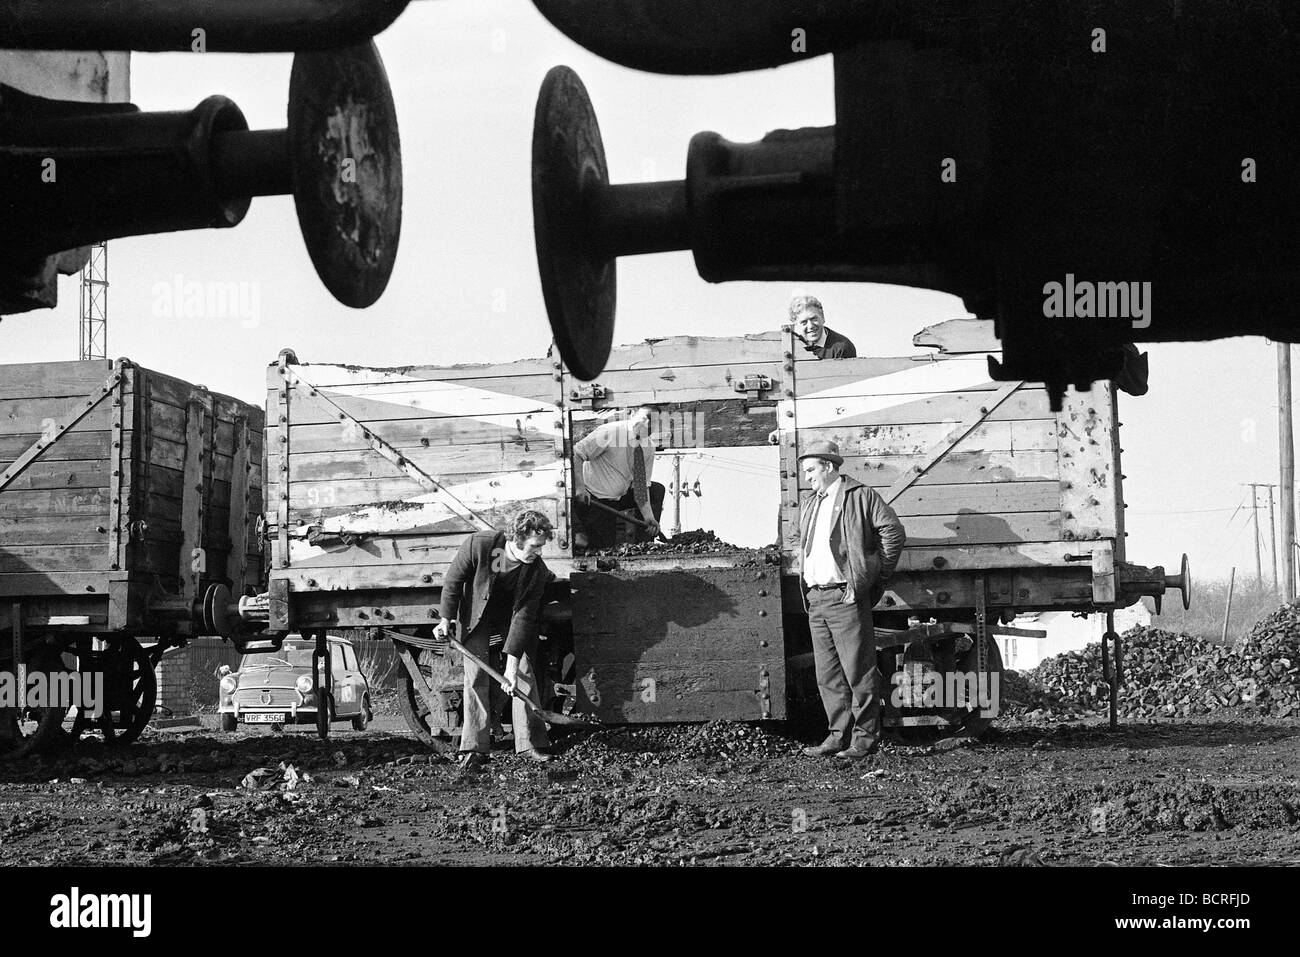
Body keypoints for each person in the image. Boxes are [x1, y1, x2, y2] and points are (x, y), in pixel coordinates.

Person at [796, 439, 906, 760]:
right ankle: (836, 736)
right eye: (805, 472)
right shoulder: (811, 503)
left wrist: (873, 574)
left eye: (812, 470)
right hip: (815, 598)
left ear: (829, 467)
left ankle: (865, 740)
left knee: (858, 670)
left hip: (844, 596)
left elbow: (893, 532)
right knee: (827, 674)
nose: (807, 477)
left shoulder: (861, 496)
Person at [435, 509, 557, 767]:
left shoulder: (537, 571)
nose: (539, 552)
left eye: (542, 546)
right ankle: (474, 747)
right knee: (476, 674)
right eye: (535, 546)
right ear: (517, 537)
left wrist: (511, 667)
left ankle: (529, 744)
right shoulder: (481, 545)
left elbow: (523, 618)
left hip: (509, 617)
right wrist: (446, 619)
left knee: (524, 671)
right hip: (477, 614)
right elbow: (454, 581)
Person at [571, 406, 665, 550]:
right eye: (646, 418)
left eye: (654, 421)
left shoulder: (648, 447)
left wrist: (648, 516)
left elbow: (640, 487)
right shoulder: (610, 432)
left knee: (656, 490)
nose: (648, 425)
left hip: (618, 498)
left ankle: (644, 545)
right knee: (604, 549)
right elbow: (577, 454)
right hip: (593, 500)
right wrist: (580, 488)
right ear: (632, 413)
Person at [789, 295, 856, 358]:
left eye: (814, 319)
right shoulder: (790, 348)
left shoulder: (842, 348)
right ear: (796, 325)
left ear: (823, 317)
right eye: (804, 322)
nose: (810, 326)